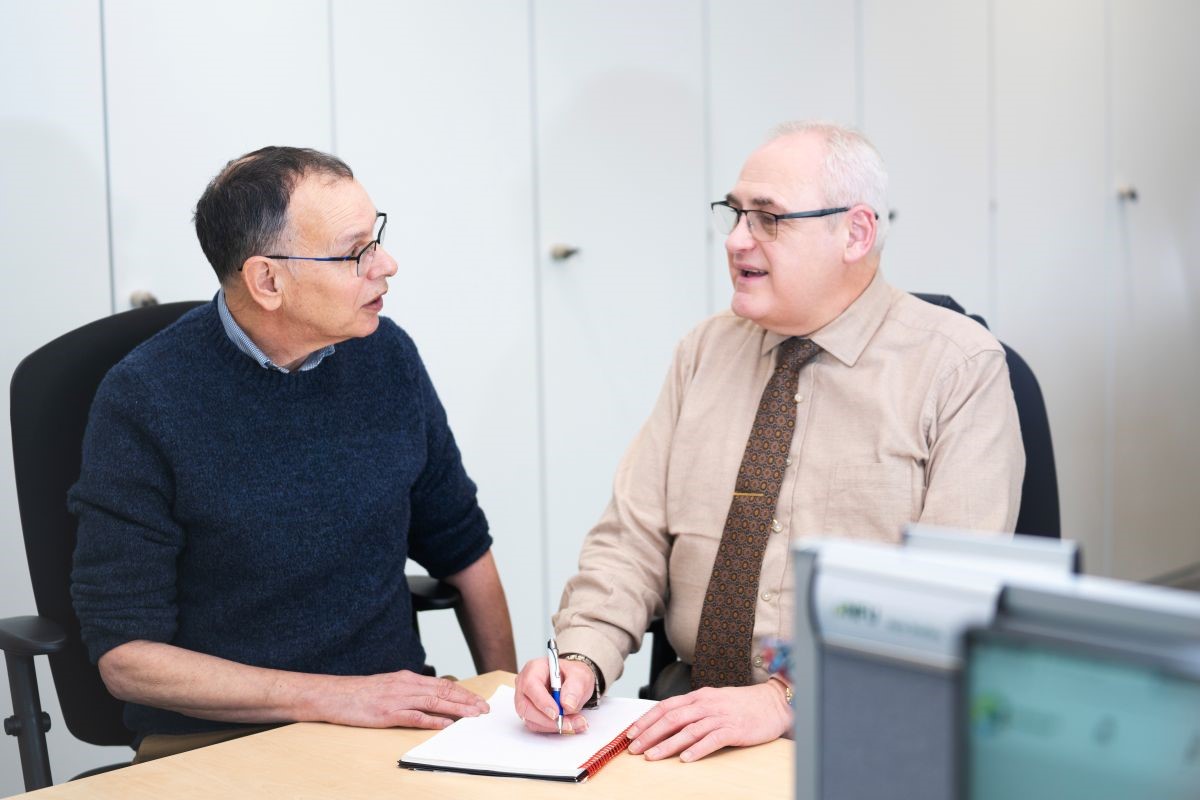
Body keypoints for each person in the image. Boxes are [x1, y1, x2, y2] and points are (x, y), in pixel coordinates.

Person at [514, 121, 1024, 761]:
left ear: (856, 233)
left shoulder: (956, 368)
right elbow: (630, 541)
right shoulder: (704, 351)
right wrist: (582, 659)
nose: (735, 240)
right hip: (686, 719)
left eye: (768, 219)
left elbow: (952, 597)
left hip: (861, 725)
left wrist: (786, 698)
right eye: (734, 214)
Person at [69, 146, 517, 761]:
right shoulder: (144, 399)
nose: (386, 264)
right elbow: (127, 658)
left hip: (391, 726)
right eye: (356, 251)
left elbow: (464, 550)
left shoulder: (386, 356)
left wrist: (507, 709)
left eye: (377, 237)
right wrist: (336, 697)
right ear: (268, 281)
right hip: (215, 743)